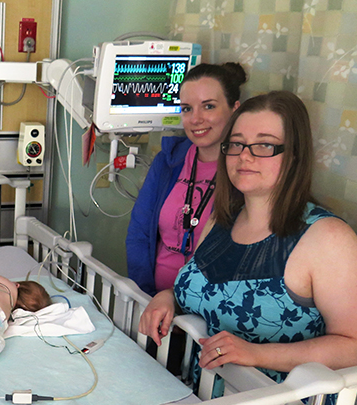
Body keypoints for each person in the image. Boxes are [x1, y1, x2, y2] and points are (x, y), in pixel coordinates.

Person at [138, 91, 357, 393]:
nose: (245, 156)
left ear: (294, 155)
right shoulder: (221, 220)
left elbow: (352, 346)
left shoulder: (327, 238)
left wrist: (256, 354)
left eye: (264, 144)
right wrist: (168, 297)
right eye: (237, 143)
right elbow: (202, 290)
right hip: (200, 390)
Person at [126, 62, 247, 296]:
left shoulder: (245, 171)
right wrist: (144, 296)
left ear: (235, 109)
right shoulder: (168, 161)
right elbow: (139, 234)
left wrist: (191, 304)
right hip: (153, 301)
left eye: (208, 106)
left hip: (208, 311)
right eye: (187, 109)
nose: (196, 119)